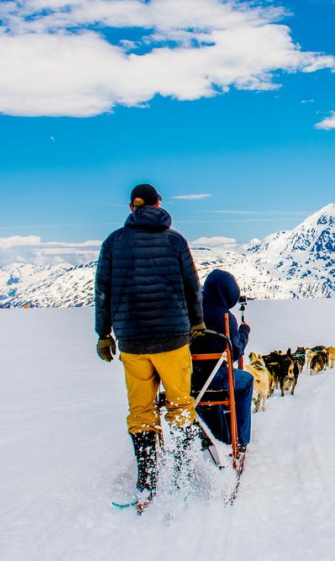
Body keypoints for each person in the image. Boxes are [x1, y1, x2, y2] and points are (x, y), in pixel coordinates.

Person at [94, 183, 205, 504]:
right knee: (180, 404)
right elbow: (192, 286)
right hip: (173, 338)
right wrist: (197, 323)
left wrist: (104, 334)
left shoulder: (113, 242)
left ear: (132, 207)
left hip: (132, 341)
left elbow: (102, 292)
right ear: (159, 203)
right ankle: (181, 475)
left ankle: (147, 482)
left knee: (141, 411)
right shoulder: (175, 241)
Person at [196, 269, 253, 454]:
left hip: (187, 378)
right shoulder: (226, 317)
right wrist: (244, 333)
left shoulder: (190, 310)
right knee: (246, 381)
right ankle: (241, 439)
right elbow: (235, 352)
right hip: (216, 378)